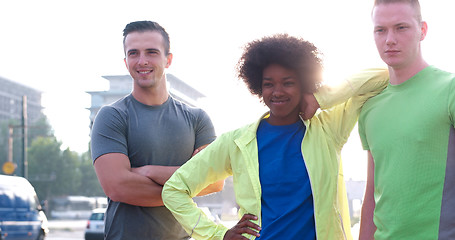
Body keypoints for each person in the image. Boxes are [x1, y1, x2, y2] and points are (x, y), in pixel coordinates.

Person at [162, 33, 389, 240]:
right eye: (269, 84)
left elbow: (383, 76)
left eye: (288, 83)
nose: (277, 91)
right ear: (259, 89)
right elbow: (174, 190)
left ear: (303, 84)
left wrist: (322, 98)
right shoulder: (236, 142)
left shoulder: (327, 130)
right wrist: (218, 235)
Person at [90, 20, 223, 240]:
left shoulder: (197, 119)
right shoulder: (111, 116)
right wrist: (186, 184)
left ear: (168, 59)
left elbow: (214, 181)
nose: (142, 61)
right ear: (126, 62)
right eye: (133, 53)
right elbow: (118, 187)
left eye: (151, 52)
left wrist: (148, 171)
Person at [358, 1, 455, 239]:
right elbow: (372, 194)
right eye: (380, 30)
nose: (389, 39)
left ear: (422, 30)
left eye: (401, 27)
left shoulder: (449, 89)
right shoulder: (370, 107)